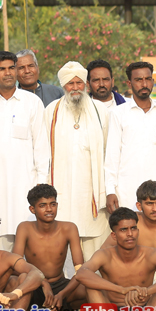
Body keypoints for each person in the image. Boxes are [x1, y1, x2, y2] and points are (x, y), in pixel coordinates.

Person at [0, 50, 49, 251]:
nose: (8, 73)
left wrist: (41, 184)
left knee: (28, 244)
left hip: (26, 185)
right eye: (2, 69)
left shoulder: (32, 102)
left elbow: (41, 146)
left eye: (12, 68)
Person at [44, 61, 111, 261]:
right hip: (62, 188)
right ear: (63, 85)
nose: (75, 88)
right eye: (70, 83)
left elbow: (109, 149)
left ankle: (93, 279)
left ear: (85, 84)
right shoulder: (51, 111)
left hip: (91, 189)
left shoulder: (100, 110)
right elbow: (44, 151)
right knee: (62, 243)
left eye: (79, 83)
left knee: (94, 248)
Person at [105, 61, 156, 217]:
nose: (144, 84)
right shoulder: (118, 113)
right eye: (138, 80)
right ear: (129, 83)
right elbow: (112, 156)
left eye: (148, 79)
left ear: (152, 81)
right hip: (126, 192)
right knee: (129, 231)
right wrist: (110, 191)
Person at [103, 180, 156, 309]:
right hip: (132, 276)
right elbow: (104, 252)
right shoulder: (130, 224)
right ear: (139, 205)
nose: (155, 209)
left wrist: (150, 290)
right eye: (149, 204)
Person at [13, 184, 87, 311]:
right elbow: (16, 265)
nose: (49, 209)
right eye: (42, 205)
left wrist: (62, 294)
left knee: (88, 286)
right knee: (18, 279)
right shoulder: (24, 228)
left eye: (52, 204)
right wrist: (43, 282)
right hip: (35, 285)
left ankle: (59, 309)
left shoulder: (69, 228)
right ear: (32, 209)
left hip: (60, 285)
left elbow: (80, 270)